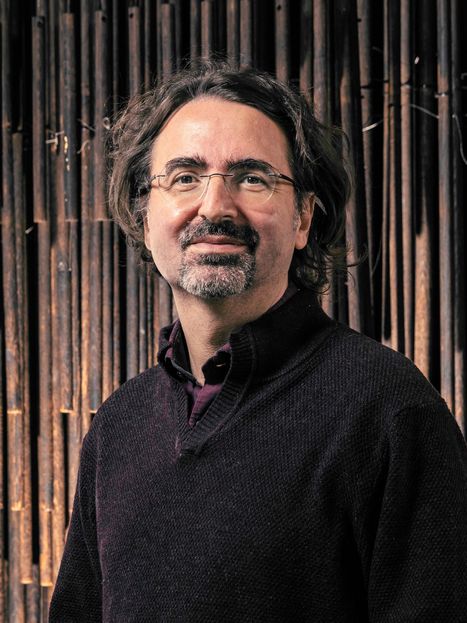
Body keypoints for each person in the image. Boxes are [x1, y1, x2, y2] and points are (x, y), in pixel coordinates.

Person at [49, 62, 467, 622]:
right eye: (184, 177)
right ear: (145, 218)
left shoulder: (390, 411)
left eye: (252, 177)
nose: (216, 206)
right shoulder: (117, 427)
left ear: (302, 219)